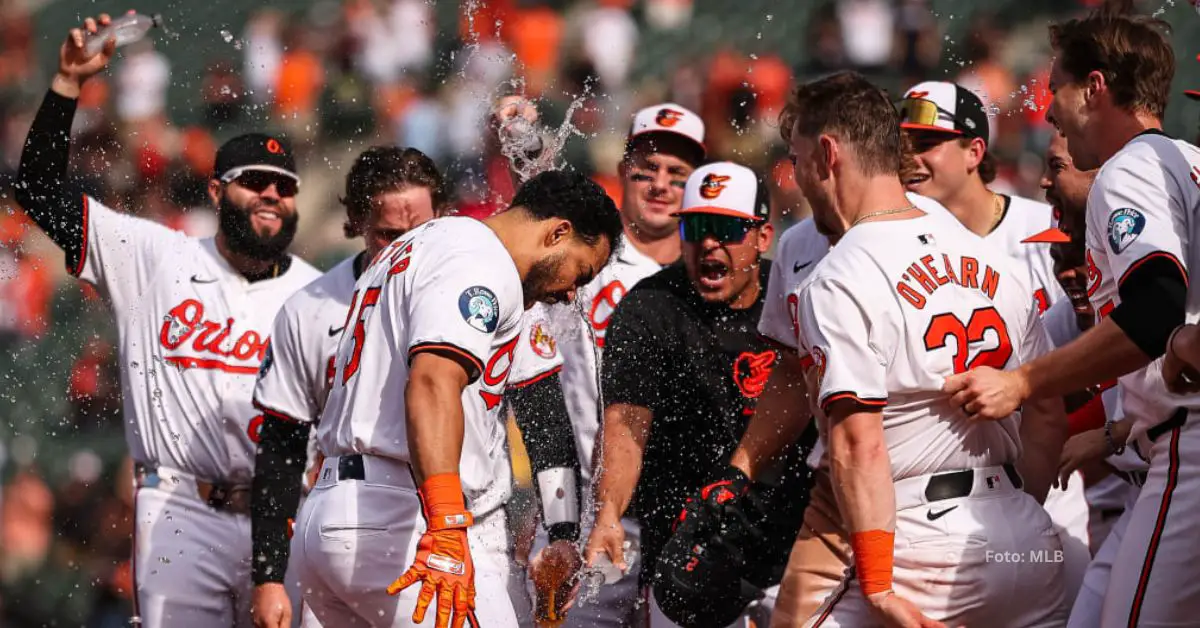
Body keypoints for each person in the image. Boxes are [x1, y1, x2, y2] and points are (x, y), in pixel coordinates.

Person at [12, 15, 321, 627]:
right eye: (252, 181)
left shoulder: (319, 292)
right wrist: (67, 86)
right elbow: (40, 189)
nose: (270, 195)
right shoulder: (155, 256)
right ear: (214, 192)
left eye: (283, 187)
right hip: (183, 511)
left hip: (288, 516)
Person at [782, 71, 1068, 627]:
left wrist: (880, 585)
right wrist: (1018, 510)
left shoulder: (840, 274)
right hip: (1024, 539)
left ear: (827, 153)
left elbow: (857, 446)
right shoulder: (991, 256)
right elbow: (1047, 410)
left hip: (920, 542)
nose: (796, 178)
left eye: (796, 160)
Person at [944, 5, 1200, 625]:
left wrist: (1023, 381)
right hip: (1160, 444)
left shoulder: (1130, 167)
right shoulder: (1186, 156)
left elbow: (1156, 308)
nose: (1049, 110)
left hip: (1186, 449)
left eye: (1056, 86)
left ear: (1095, 87)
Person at [291, 170, 621, 628]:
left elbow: (540, 414)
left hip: (337, 510)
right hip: (400, 516)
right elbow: (432, 382)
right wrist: (446, 526)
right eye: (580, 271)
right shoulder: (479, 259)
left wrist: (561, 530)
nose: (571, 293)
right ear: (558, 232)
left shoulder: (424, 243)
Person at [585, 161, 814, 627]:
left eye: (727, 228)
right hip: (688, 546)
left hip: (792, 539)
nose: (709, 242)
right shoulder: (649, 307)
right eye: (696, 227)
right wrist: (608, 512)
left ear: (763, 237)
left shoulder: (798, 294)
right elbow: (627, 427)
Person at [896, 80, 1092, 602]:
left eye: (924, 143)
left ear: (975, 150)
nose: (908, 159)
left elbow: (1098, 357)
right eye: (901, 145)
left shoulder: (1045, 228)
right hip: (932, 498)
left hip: (1050, 478)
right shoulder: (892, 243)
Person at [248, 145, 449, 628]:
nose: (406, 248)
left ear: (440, 216)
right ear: (357, 220)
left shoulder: (465, 290)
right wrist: (269, 575)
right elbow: (281, 444)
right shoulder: (309, 309)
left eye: (420, 231)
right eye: (388, 235)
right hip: (349, 512)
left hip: (450, 514)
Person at [536, 102, 706, 627]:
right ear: (622, 174)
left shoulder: (713, 271)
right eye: (646, 170)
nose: (660, 185)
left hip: (683, 516)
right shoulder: (584, 261)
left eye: (677, 174)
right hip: (592, 512)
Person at [1037, 132, 1149, 628]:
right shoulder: (1064, 319)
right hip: (1132, 501)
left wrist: (1103, 433)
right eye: (1059, 256)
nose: (1070, 270)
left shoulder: (1155, 294)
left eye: (1079, 254)